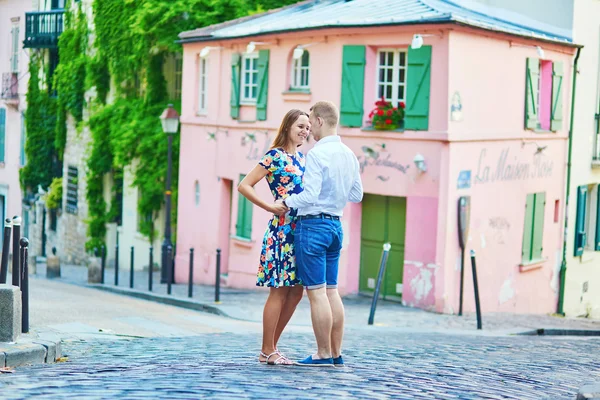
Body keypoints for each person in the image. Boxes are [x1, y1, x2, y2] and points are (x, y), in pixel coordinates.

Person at [279, 101, 363, 367]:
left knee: (316, 293)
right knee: (331, 291)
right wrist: (334, 196)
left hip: (313, 226)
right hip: (336, 226)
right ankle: (336, 353)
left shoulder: (316, 154)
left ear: (319, 121)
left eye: (311, 121)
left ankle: (323, 353)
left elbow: (310, 194)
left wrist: (287, 201)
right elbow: (356, 195)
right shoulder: (349, 154)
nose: (309, 128)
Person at [238, 109, 310, 366]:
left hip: (301, 231)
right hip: (281, 230)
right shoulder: (274, 156)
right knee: (279, 290)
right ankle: (266, 350)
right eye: (300, 125)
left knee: (297, 291)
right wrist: (269, 207)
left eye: (308, 127)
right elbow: (244, 185)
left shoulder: (303, 158)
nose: (305, 130)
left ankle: (272, 348)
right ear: (288, 125)